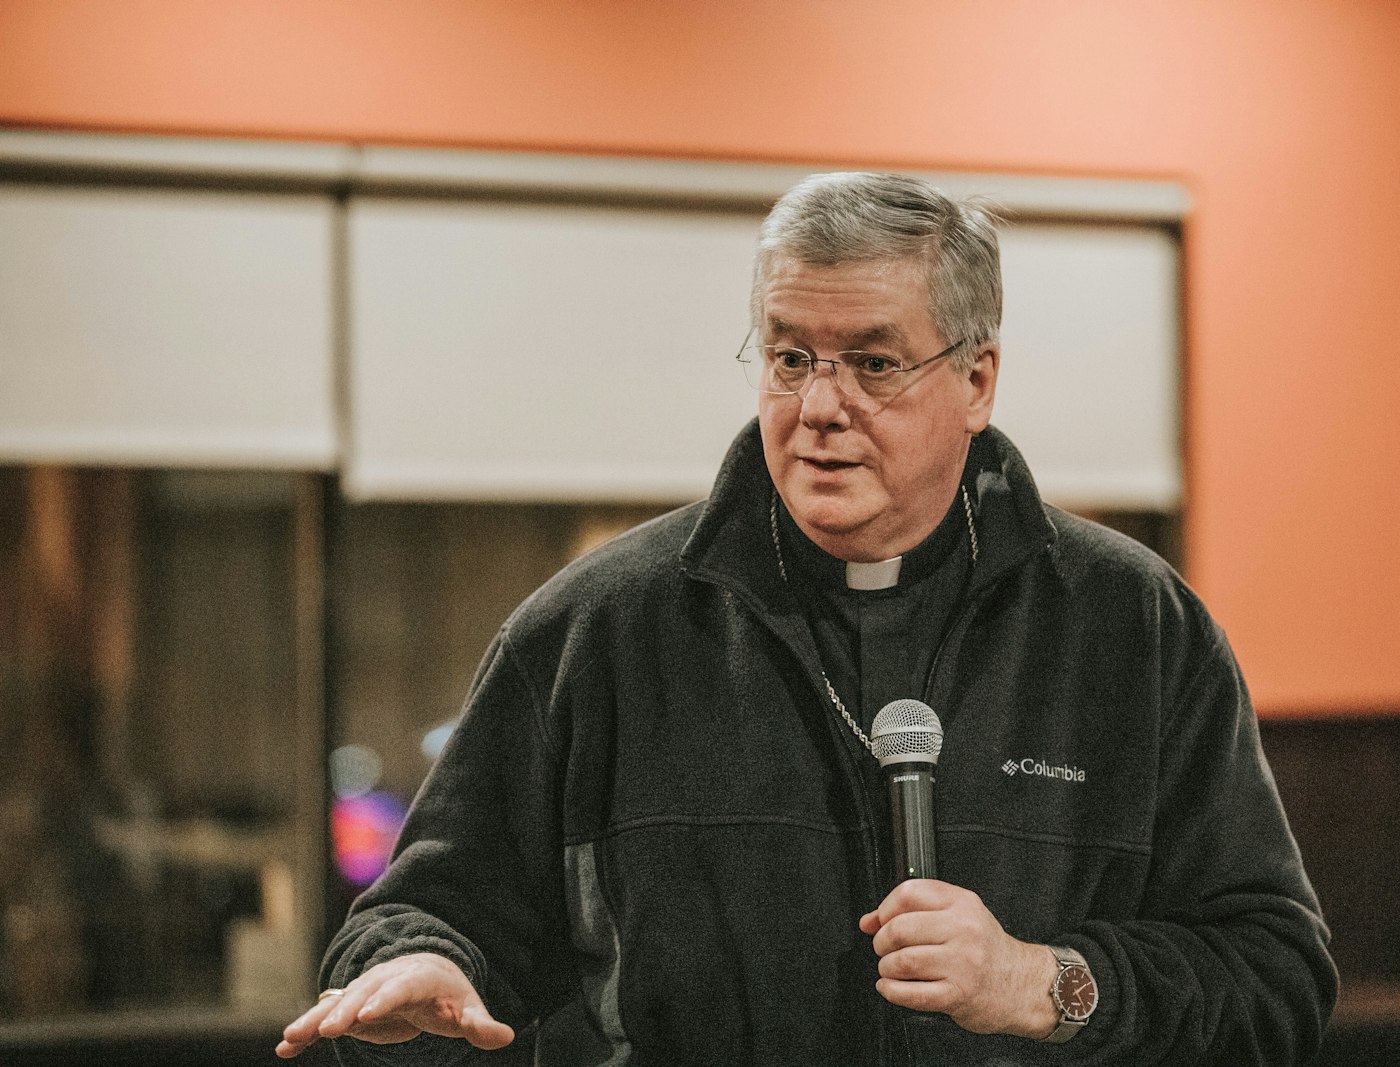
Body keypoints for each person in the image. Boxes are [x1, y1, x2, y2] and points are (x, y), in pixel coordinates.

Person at [278, 171, 1337, 1065]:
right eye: (790, 358)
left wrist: (1042, 979)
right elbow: (425, 914)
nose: (819, 406)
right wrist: (419, 961)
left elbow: (1275, 975)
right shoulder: (595, 630)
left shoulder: (1130, 628)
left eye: (873, 363)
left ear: (976, 378)